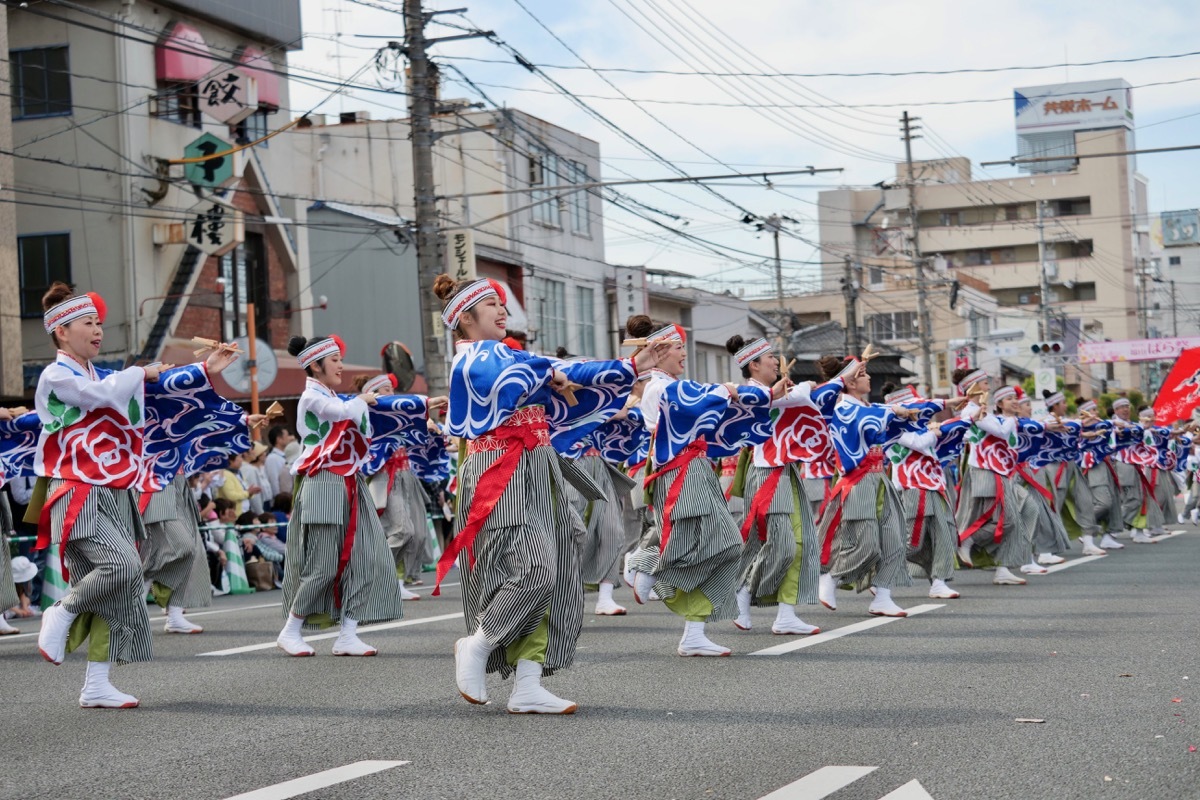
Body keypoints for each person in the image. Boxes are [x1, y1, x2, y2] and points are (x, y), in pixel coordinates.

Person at [434, 275, 660, 714]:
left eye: (503, 304)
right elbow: (517, 372)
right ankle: (479, 644)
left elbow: (567, 381)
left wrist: (627, 369)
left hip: (538, 466)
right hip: (499, 468)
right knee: (533, 567)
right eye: (491, 305)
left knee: (556, 572)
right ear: (464, 317)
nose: (503, 311)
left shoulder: (514, 358)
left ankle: (528, 682)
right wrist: (559, 371)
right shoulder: (473, 360)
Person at [31, 283, 236, 707]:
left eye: (99, 324)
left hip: (115, 489)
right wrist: (142, 372)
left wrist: (205, 370)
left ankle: (96, 684)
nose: (98, 330)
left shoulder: (103, 373)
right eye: (88, 323)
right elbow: (104, 395)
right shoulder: (56, 375)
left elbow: (158, 386)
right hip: (78, 490)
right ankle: (62, 610)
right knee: (122, 566)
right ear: (62, 331)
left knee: (119, 589)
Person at [624, 318, 782, 656]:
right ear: (661, 349)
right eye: (680, 347)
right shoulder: (657, 386)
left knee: (725, 544)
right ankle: (647, 561)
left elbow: (708, 405)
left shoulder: (671, 384)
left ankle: (693, 631)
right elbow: (693, 399)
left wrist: (749, 395)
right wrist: (729, 389)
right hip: (678, 470)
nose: (684, 354)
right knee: (696, 534)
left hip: (695, 467)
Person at [277, 334, 433, 658]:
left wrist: (425, 406)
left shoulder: (336, 395)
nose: (340, 364)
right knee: (322, 565)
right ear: (315, 366)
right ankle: (291, 629)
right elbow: (342, 412)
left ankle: (348, 633)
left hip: (350, 482)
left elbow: (366, 412)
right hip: (323, 483)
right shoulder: (312, 397)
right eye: (333, 360)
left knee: (366, 557)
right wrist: (363, 399)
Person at [727, 335, 840, 635]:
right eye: (769, 358)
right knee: (780, 543)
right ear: (753, 365)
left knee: (802, 542)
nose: (776, 361)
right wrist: (835, 382)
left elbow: (799, 400)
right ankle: (743, 592)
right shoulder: (747, 393)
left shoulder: (772, 391)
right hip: (766, 473)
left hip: (786, 471)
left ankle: (786, 613)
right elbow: (791, 399)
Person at [814, 353, 919, 616]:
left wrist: (903, 412)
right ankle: (832, 578)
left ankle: (882, 595)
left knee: (895, 538)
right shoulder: (843, 408)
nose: (869, 377)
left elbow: (882, 419)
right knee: (867, 542)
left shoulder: (868, 407)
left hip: (879, 477)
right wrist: (893, 410)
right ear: (849, 382)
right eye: (863, 374)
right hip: (856, 480)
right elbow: (866, 420)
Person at [882, 385, 969, 600]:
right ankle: (879, 573)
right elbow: (920, 443)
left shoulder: (921, 427)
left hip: (933, 484)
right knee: (912, 542)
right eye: (915, 408)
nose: (920, 412)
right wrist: (934, 432)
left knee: (945, 532)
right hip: (912, 487)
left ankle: (939, 582)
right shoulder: (894, 428)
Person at [954, 380, 1044, 586]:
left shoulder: (991, 414)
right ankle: (968, 540)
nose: (1015, 402)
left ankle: (1005, 566)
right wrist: (1012, 418)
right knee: (1008, 519)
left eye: (1016, 398)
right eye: (1010, 399)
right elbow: (1002, 432)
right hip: (986, 471)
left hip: (1002, 472)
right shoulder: (973, 411)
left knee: (1022, 513)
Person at [264, 425, 295, 502]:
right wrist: (280, 501)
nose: (289, 438)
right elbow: (274, 481)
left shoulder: (284, 456)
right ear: (279, 439)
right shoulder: (272, 458)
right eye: (287, 436)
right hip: (282, 502)